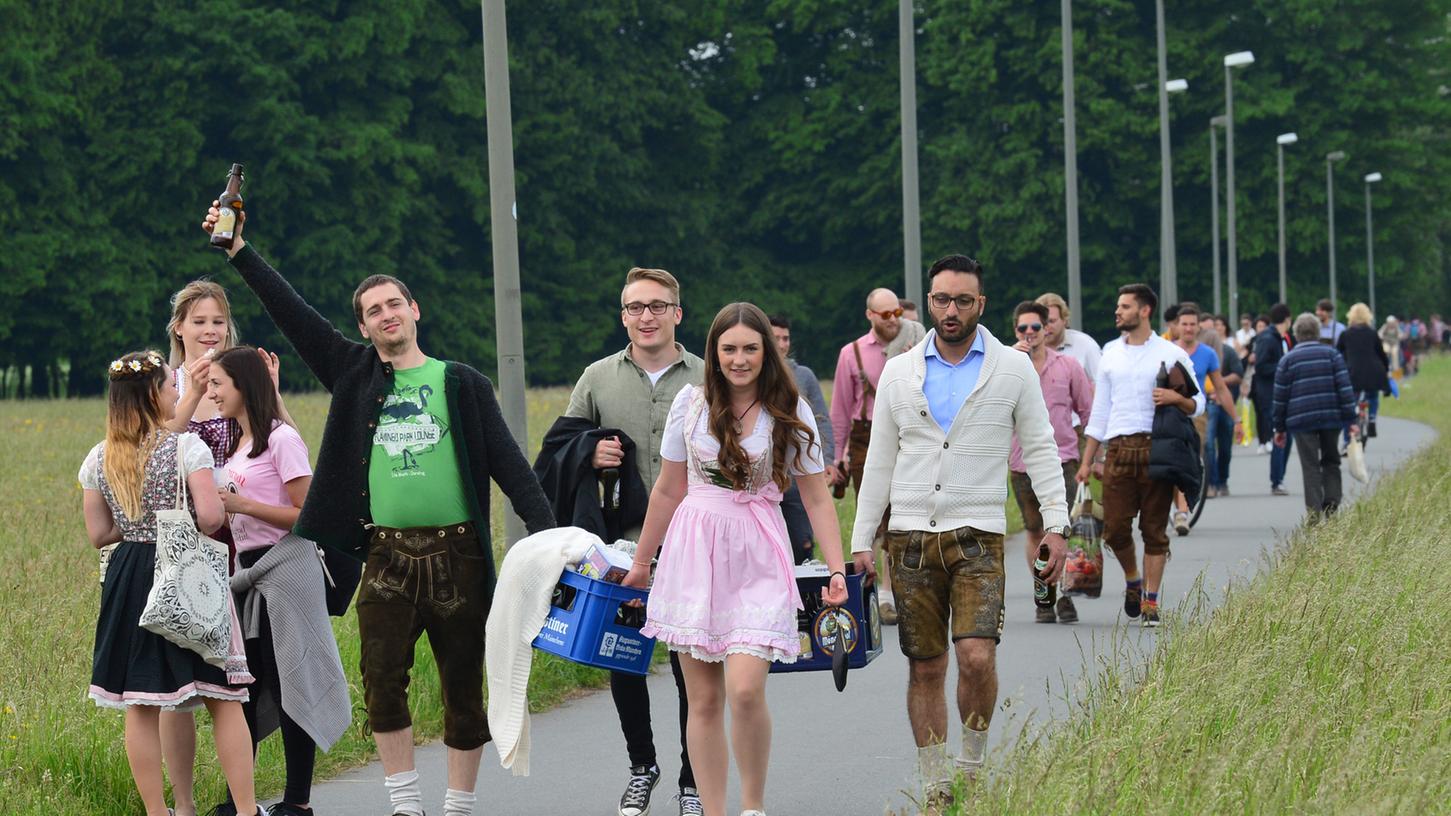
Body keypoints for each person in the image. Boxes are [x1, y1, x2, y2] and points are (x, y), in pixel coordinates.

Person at [202, 203, 555, 816]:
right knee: (381, 680)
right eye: (373, 312)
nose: (386, 316)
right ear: (363, 328)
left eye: (394, 304)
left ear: (414, 311)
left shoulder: (461, 383)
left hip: (458, 553)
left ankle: (457, 807)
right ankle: (405, 805)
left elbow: (511, 468)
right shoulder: (353, 374)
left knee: (462, 687)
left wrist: (554, 543)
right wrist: (238, 251)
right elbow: (293, 313)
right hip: (385, 554)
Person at [850, 255, 1070, 808]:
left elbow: (1041, 447)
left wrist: (1057, 525)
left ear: (981, 305)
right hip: (910, 537)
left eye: (963, 301)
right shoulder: (900, 373)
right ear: (927, 303)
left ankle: (971, 766)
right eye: (942, 300)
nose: (952, 311)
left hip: (978, 534)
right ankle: (935, 780)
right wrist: (860, 540)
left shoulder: (1011, 368)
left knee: (976, 656)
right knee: (925, 665)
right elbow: (879, 461)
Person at [624, 303, 848, 816]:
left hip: (758, 548)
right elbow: (667, 490)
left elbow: (815, 498)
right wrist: (642, 562)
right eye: (730, 349)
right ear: (714, 353)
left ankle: (752, 807)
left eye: (751, 348)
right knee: (702, 700)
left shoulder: (788, 408)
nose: (740, 359)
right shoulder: (692, 404)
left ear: (767, 352)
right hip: (694, 549)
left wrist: (836, 570)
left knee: (745, 691)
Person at [80, 351, 264, 816]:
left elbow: (99, 534)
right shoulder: (187, 448)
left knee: (140, 703)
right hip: (185, 573)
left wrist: (138, 523)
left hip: (128, 578)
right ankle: (245, 810)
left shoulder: (98, 457)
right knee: (223, 696)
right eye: (169, 387)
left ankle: (159, 813)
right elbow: (208, 515)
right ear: (151, 395)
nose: (176, 394)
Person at [565, 266, 704, 816]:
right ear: (623, 316)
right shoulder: (597, 377)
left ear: (677, 313)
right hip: (621, 548)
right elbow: (560, 447)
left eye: (656, 306)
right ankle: (642, 768)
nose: (645, 317)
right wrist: (588, 453)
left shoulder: (707, 375)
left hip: (695, 544)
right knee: (624, 659)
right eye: (634, 308)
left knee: (693, 666)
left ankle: (693, 781)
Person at [157, 280, 295, 816]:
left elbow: (284, 444)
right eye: (199, 321)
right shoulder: (166, 381)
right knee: (177, 684)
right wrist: (191, 391)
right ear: (179, 329)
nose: (210, 330)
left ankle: (244, 802)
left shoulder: (238, 378)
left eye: (218, 321)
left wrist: (271, 389)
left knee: (238, 675)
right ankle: (185, 805)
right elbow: (156, 453)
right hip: (186, 540)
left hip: (242, 541)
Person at [207, 347, 350, 816]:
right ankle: (239, 802)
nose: (211, 393)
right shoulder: (234, 444)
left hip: (286, 569)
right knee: (246, 686)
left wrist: (243, 506)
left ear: (243, 386)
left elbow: (309, 516)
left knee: (294, 683)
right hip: (248, 575)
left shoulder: (281, 440)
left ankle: (297, 802)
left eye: (217, 384)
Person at [1078, 284, 1204, 629]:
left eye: (1125, 306)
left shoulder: (1169, 352)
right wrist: (1088, 460)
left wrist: (1175, 399)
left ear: (1144, 310)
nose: (1117, 311)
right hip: (1118, 449)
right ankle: (1132, 579)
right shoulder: (1110, 352)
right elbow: (1100, 409)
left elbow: (1198, 403)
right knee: (1115, 530)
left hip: (1157, 448)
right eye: (1118, 306)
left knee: (1153, 531)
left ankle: (1150, 600)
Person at [1008, 300, 1091, 623]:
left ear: (1047, 329)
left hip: (1063, 459)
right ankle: (1044, 595)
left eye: (1035, 328)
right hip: (1021, 463)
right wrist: (1014, 361)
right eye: (1022, 328)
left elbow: (1087, 412)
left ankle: (1066, 594)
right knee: (1033, 531)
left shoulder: (1068, 365)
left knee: (1060, 529)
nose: (1029, 334)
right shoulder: (1008, 365)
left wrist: (1091, 458)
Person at [831, 288, 904, 623]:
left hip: (904, 434)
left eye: (898, 313)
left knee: (899, 515)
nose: (894, 320)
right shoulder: (852, 353)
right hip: (865, 436)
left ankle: (889, 593)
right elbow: (841, 411)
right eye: (886, 314)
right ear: (871, 315)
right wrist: (837, 457)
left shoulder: (914, 346)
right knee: (872, 514)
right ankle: (867, 590)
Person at [1272, 314, 1358, 518]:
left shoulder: (1287, 360)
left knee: (1309, 465)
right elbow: (1344, 389)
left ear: (1296, 334)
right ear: (1318, 333)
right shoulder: (1332, 355)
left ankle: (1314, 512)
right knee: (1331, 459)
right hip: (1331, 417)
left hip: (1301, 421)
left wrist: (1279, 428)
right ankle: (1332, 502)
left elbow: (1280, 397)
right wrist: (1351, 421)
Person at [769, 314, 837, 564]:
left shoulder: (804, 376)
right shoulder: (751, 377)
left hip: (798, 478)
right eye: (775, 338)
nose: (782, 344)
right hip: (765, 480)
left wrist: (828, 460)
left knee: (801, 542)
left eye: (785, 338)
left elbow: (821, 421)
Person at [1168, 304, 1240, 533]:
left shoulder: (1207, 354)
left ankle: (1181, 513)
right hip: (1168, 414)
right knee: (1169, 465)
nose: (1188, 329)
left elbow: (1220, 387)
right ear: (1177, 327)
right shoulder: (1166, 350)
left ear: (1199, 327)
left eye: (1192, 324)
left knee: (1187, 462)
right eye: (1184, 324)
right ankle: (1177, 508)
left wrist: (1237, 420)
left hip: (1196, 414)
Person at [1252, 304, 1295, 493]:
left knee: (1287, 437)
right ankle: (1277, 481)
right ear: (1287, 319)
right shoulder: (1268, 339)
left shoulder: (1282, 338)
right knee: (1281, 436)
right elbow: (1260, 367)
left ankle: (1280, 478)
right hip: (1270, 394)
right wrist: (1283, 366)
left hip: (1283, 394)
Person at [1201, 320, 1244, 498]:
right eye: (1209, 328)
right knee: (1208, 445)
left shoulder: (1228, 351)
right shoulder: (1197, 354)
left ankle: (1223, 480)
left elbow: (1238, 374)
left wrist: (1219, 383)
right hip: (1207, 405)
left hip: (1225, 404)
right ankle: (1210, 482)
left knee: (1225, 446)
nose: (1214, 331)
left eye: (1217, 327)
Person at [1336, 303, 1390, 442]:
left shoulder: (1345, 334)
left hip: (1353, 373)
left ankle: (1350, 433)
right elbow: (1381, 354)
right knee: (1372, 396)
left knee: (1351, 401)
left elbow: (1337, 354)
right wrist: (1386, 370)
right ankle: (1371, 418)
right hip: (1373, 372)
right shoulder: (1372, 333)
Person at [1037, 292, 1101, 385]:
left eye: (1051, 321)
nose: (1046, 326)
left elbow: (1101, 383)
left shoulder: (1086, 345)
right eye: (1042, 322)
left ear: (1065, 320)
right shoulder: (1028, 349)